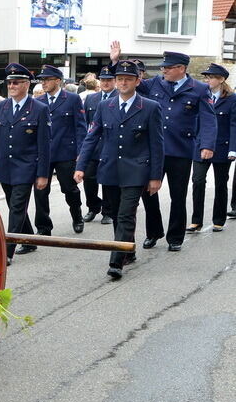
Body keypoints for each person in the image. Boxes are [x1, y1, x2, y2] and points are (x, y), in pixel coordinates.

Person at [110, 44, 216, 251]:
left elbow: (208, 119)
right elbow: (127, 81)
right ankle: (153, 232)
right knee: (148, 194)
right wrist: (116, 61)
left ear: (181, 68)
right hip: (151, 149)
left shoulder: (199, 89)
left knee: (178, 195)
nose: (163, 70)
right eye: (163, 67)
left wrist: (207, 145)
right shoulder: (154, 84)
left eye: (168, 67)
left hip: (180, 149)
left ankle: (175, 237)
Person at [74, 60, 163, 280]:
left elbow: (157, 145)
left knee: (125, 215)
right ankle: (128, 249)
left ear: (137, 81)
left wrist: (155, 176)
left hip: (136, 170)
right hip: (110, 168)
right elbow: (91, 137)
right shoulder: (106, 106)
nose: (123, 82)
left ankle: (116, 262)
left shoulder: (150, 107)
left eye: (128, 79)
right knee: (114, 213)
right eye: (120, 79)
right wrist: (81, 166)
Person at [0, 63, 50, 264]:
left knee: (17, 207)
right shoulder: (0, 107)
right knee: (13, 205)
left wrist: (43, 174)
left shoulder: (39, 109)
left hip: (27, 167)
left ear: (27, 84)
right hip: (5, 167)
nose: (11, 85)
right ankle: (28, 239)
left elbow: (44, 145)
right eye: (9, 82)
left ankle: (6, 251)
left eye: (16, 82)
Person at [33, 64, 86, 235]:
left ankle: (77, 216)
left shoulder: (72, 99)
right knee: (40, 191)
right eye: (42, 80)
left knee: (69, 189)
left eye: (47, 79)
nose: (44, 83)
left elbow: (80, 128)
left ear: (58, 81)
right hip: (43, 154)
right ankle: (43, 227)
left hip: (65, 153)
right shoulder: (38, 102)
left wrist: (80, 153)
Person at [189, 63, 236, 232]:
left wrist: (233, 148)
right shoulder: (202, 95)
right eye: (206, 77)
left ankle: (218, 220)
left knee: (221, 184)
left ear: (221, 79)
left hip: (222, 147)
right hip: (201, 145)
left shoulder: (232, 99)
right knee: (198, 181)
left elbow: (234, 125)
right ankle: (196, 221)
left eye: (211, 77)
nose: (207, 80)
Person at [81, 66, 118, 225]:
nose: (106, 83)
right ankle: (93, 207)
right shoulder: (91, 99)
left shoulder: (120, 97)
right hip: (94, 147)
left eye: (109, 80)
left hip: (111, 147)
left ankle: (108, 211)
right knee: (89, 179)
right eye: (103, 80)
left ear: (114, 81)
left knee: (108, 180)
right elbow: (86, 124)